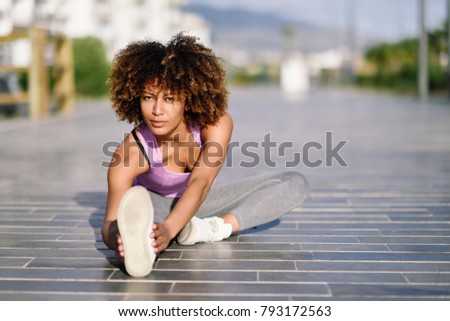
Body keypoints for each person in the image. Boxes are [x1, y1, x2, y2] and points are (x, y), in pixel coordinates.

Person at [102, 33, 310, 277]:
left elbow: (201, 183)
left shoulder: (215, 124)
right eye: (148, 97)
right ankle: (147, 239)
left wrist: (170, 230)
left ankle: (210, 229)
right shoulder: (130, 152)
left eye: (169, 99)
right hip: (157, 207)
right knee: (140, 201)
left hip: (201, 203)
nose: (157, 110)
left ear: (187, 99)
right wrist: (118, 235)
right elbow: (108, 223)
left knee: (293, 183)